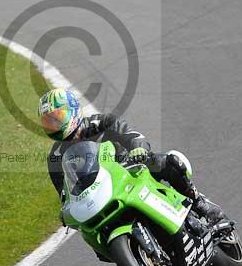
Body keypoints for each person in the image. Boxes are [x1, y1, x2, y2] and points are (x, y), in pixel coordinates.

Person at [38, 87, 225, 229]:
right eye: (49, 122)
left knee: (167, 162)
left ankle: (199, 203)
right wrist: (66, 211)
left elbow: (131, 136)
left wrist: (139, 149)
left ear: (73, 109)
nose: (55, 125)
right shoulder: (55, 157)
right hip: (101, 191)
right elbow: (65, 194)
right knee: (87, 225)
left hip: (131, 169)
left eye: (58, 117)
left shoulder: (102, 122)